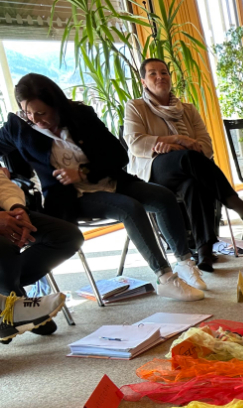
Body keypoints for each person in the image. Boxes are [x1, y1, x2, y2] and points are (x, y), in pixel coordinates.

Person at [0, 74, 205, 301]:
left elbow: (118, 155)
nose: (35, 119)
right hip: (73, 198)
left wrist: (83, 172)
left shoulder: (81, 116)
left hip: (110, 180)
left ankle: (185, 261)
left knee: (163, 197)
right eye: (27, 113)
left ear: (55, 104)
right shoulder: (18, 128)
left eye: (41, 113)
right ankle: (165, 278)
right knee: (130, 208)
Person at [124, 58, 243, 272]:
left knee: (193, 183)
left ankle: (204, 251)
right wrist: (178, 140)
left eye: (164, 72)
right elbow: (136, 144)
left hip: (188, 168)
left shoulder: (187, 109)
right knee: (188, 157)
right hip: (153, 169)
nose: (160, 77)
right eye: (153, 74)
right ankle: (237, 205)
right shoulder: (136, 107)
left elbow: (205, 144)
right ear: (144, 82)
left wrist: (178, 145)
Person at [0, 169, 81, 342]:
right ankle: (11, 309)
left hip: (5, 213)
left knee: (67, 237)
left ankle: (8, 296)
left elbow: (2, 184)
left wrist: (18, 209)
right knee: (5, 247)